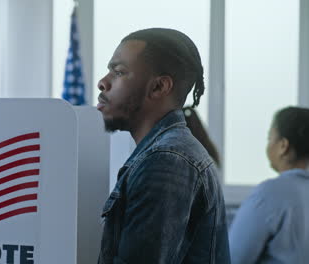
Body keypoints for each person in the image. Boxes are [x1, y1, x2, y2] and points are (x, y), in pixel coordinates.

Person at [96, 28, 230, 264]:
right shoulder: (166, 153)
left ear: (159, 87)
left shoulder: (166, 160)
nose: (103, 83)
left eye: (119, 72)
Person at [229, 106, 309, 264]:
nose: (268, 145)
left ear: (283, 146)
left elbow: (232, 258)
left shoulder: (270, 192)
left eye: (269, 138)